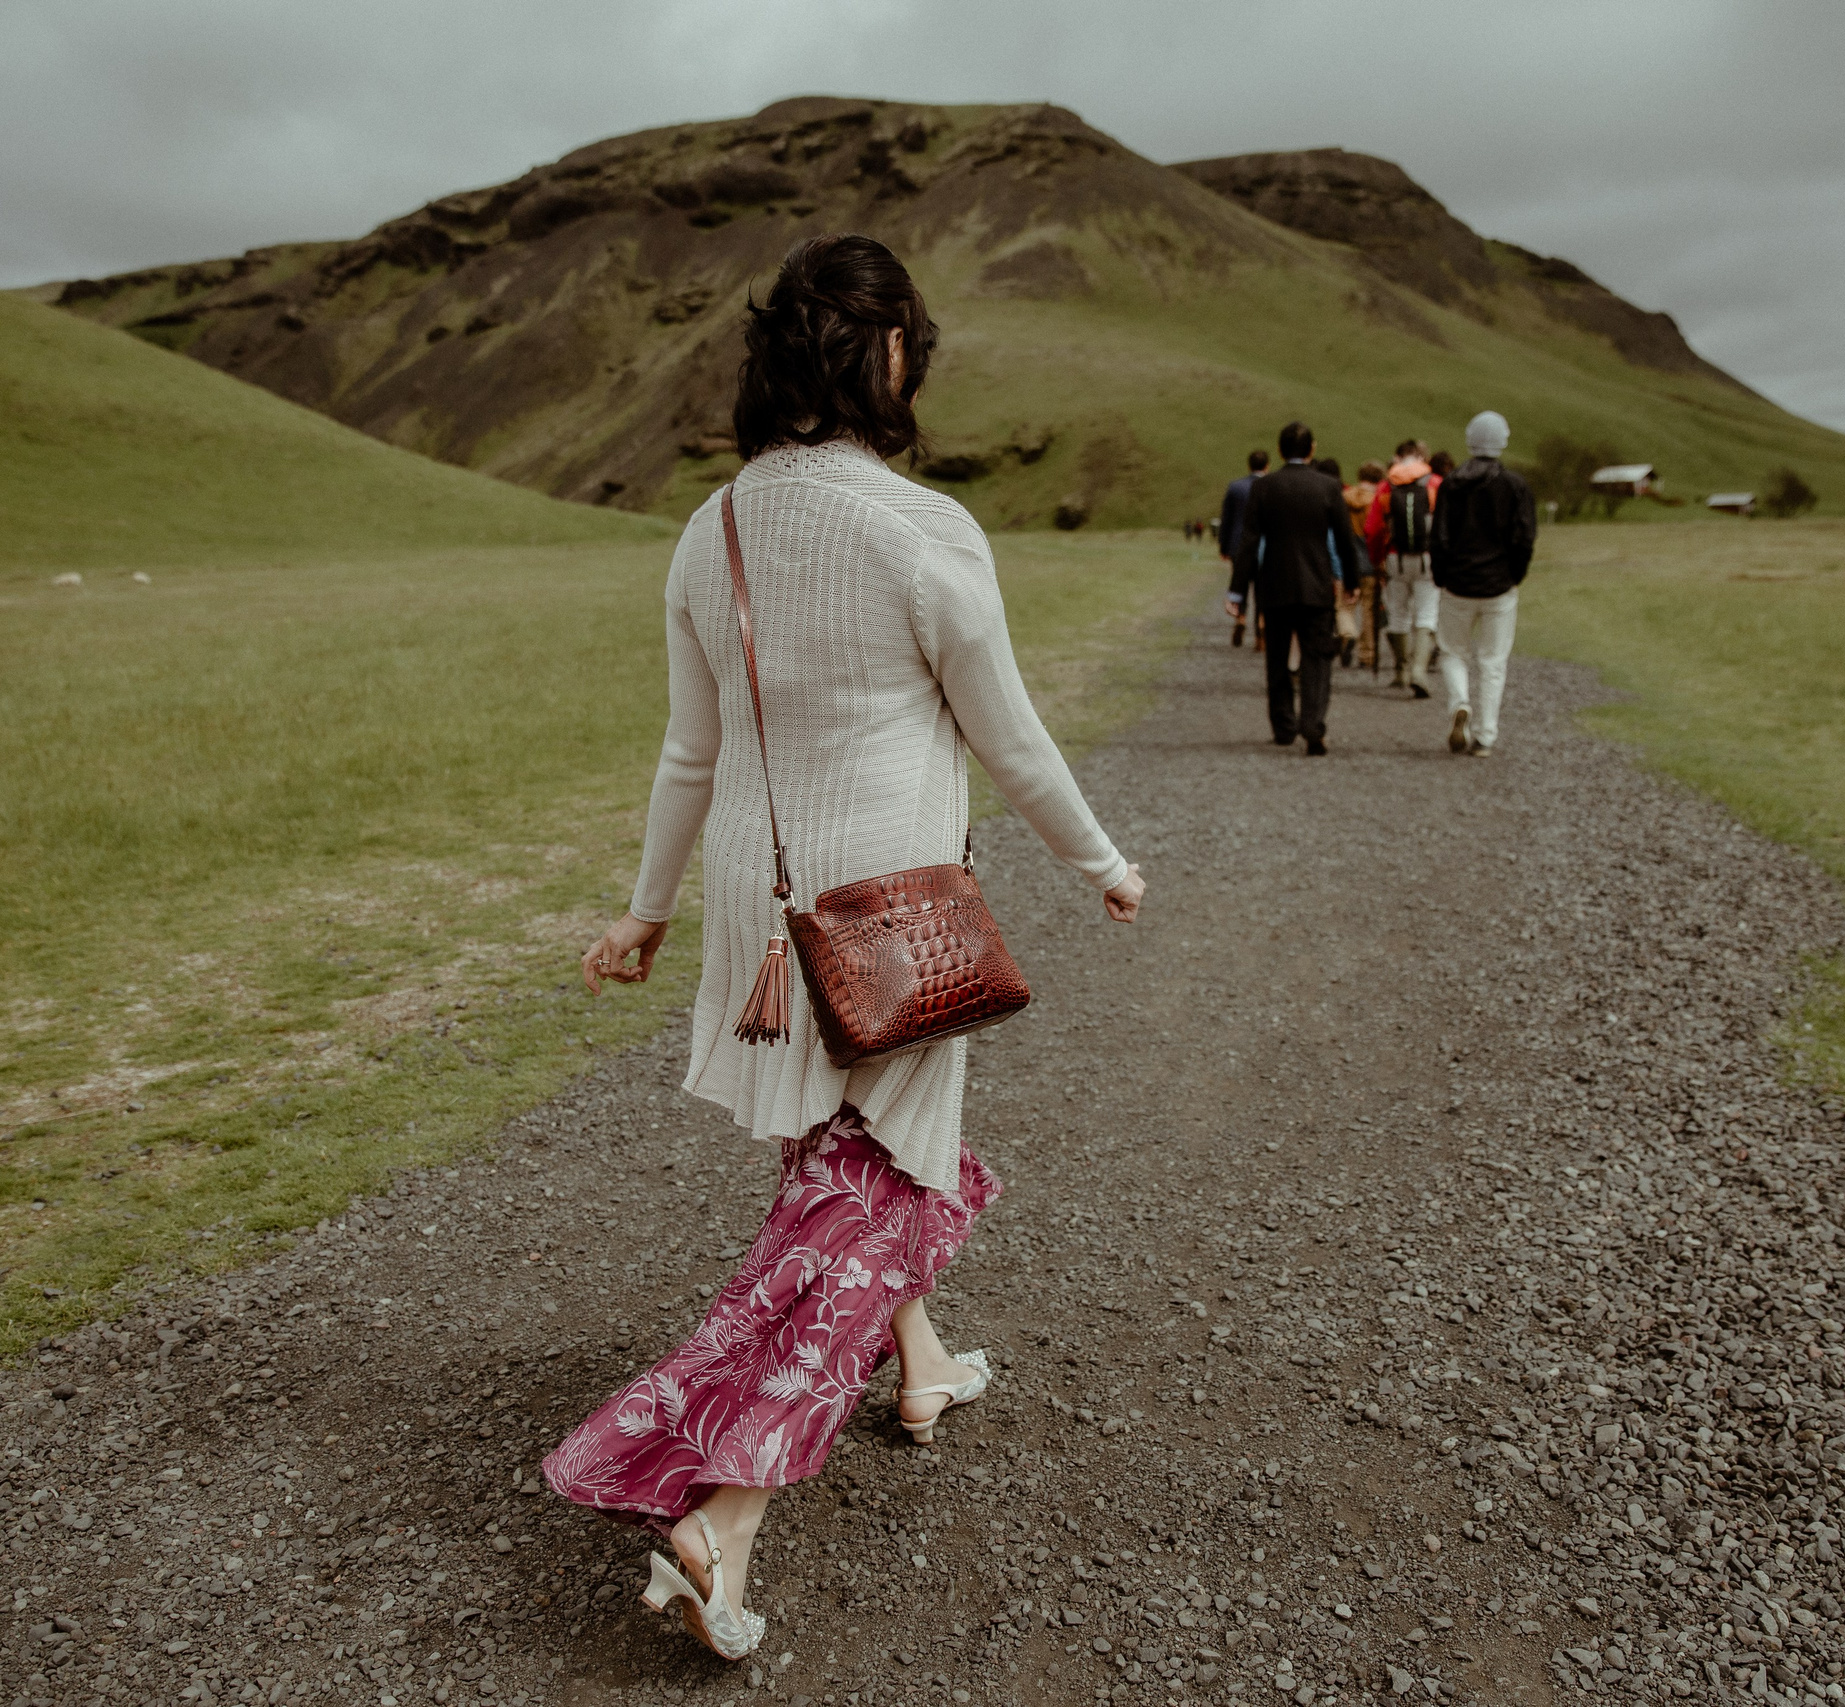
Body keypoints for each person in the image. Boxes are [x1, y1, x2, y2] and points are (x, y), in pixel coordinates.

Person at [553, 233, 1148, 1662]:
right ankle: (726, 1512)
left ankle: (924, 1365)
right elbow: (1005, 728)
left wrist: (641, 908)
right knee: (876, 1181)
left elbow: (690, 753)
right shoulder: (922, 528)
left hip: (763, 931)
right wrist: (1103, 860)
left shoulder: (713, 532)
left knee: (839, 1161)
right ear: (891, 358)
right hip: (894, 920)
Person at [1226, 421, 1365, 755]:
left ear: (1279, 450)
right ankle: (1313, 724)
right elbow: (1345, 539)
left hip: (1273, 583)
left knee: (1276, 658)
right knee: (1317, 657)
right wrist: (1351, 581)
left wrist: (1237, 593)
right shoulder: (1329, 486)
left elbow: (1249, 541)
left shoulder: (1264, 488)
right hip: (1316, 584)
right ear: (1312, 449)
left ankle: (1284, 727)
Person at [1429, 410, 1538, 756]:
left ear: (1469, 440)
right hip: (1499, 588)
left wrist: (1442, 576)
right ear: (1502, 440)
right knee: (1493, 662)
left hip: (1457, 584)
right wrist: (1513, 576)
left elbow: (1439, 537)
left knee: (1452, 652)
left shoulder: (1450, 485)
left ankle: (1460, 702)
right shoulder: (1516, 486)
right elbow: (1525, 538)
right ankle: (1486, 736)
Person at [1374, 442, 1442, 695]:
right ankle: (1419, 671)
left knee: (1398, 614)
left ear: (1398, 457)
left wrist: (1377, 558)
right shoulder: (1435, 483)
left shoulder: (1386, 486)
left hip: (1395, 557)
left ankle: (1401, 670)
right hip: (1428, 558)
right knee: (1426, 614)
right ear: (1422, 457)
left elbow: (1374, 529)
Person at [1217, 448, 1269, 647]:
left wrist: (1223, 545)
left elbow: (1227, 519)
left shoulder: (1235, 487)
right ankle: (1261, 628)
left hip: (1239, 543)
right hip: (1265, 545)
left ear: (1249, 465)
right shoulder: (1270, 486)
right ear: (1267, 466)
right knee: (1262, 589)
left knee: (1241, 583)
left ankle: (1241, 619)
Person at [1341, 462, 1385, 667]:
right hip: (1369, 561)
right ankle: (1366, 654)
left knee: (1345, 606)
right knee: (1369, 610)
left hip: (1346, 561)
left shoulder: (1344, 498)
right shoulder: (1377, 502)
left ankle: (1347, 634)